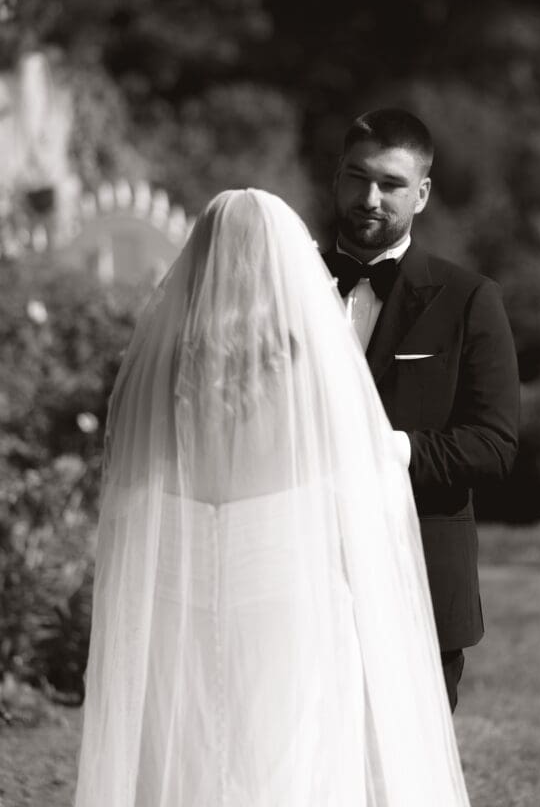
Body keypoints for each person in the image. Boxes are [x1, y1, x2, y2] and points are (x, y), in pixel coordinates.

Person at [74, 189, 471, 807]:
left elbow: (132, 490)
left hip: (179, 594)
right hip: (288, 592)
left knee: (186, 754)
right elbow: (356, 487)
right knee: (290, 759)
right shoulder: (306, 360)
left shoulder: (163, 363)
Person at [325, 108, 520, 711]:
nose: (371, 198)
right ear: (337, 178)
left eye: (392, 184)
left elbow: (495, 446)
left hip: (420, 583)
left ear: (423, 193)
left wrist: (390, 448)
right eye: (358, 177)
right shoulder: (289, 285)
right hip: (302, 577)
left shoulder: (469, 300)